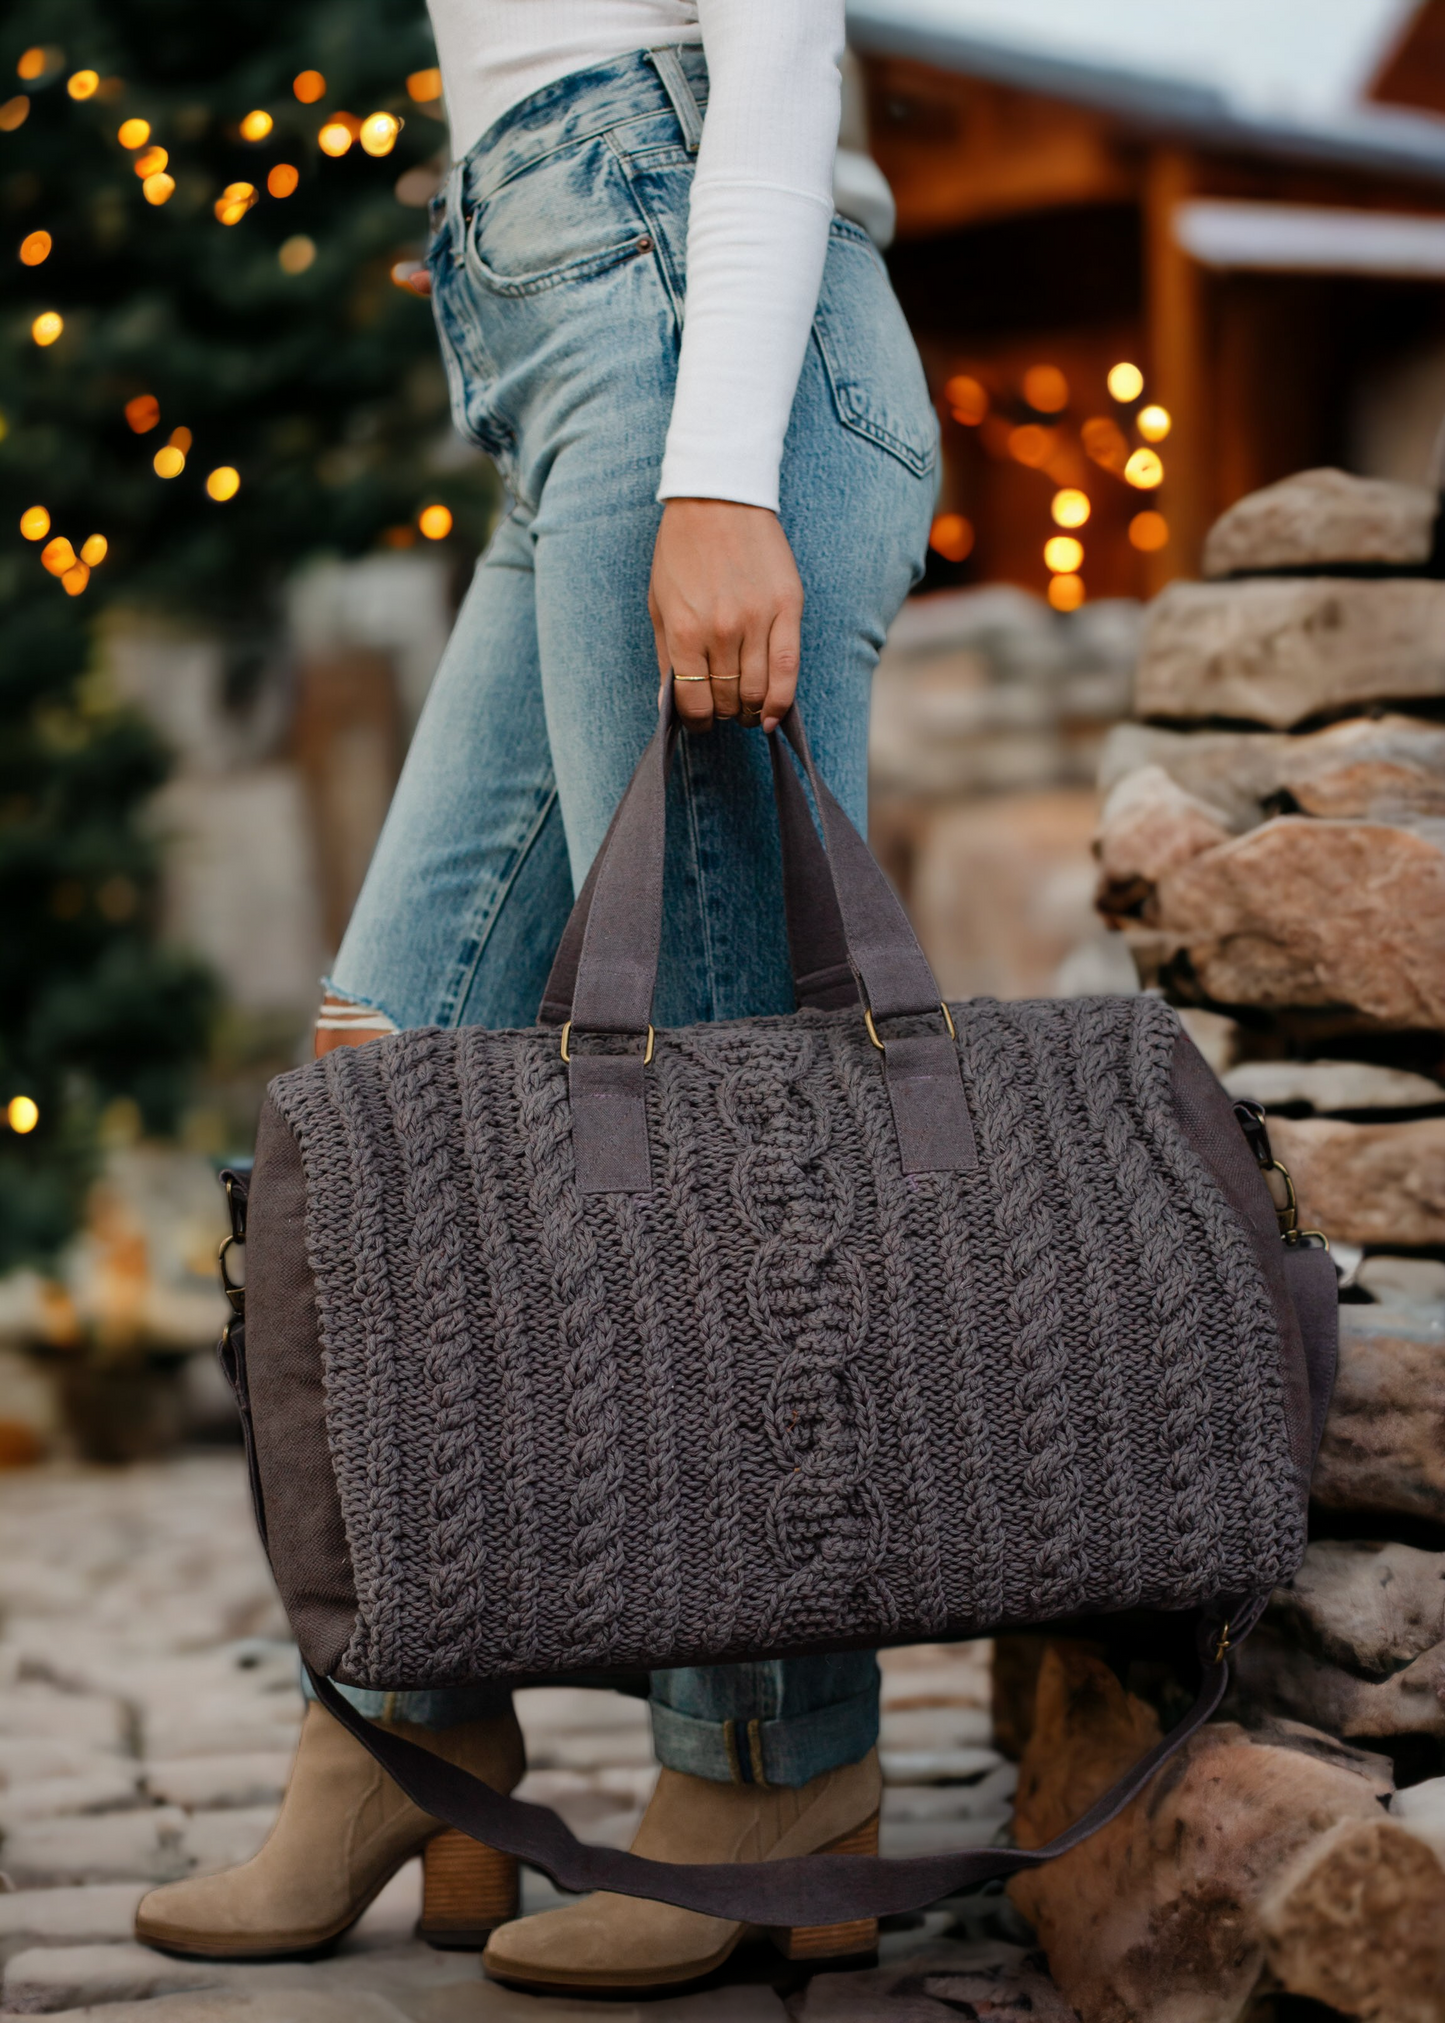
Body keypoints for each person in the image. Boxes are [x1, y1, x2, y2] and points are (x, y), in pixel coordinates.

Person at [136, 0, 936, 1992]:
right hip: (562, 341)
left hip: (689, 322)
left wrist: (721, 477)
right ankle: (403, 1720)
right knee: (369, 1092)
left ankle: (772, 1767)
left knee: (714, 1113)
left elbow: (771, 41)